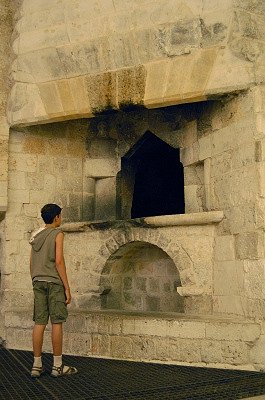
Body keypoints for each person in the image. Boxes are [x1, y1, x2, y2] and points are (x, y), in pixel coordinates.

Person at [29, 203, 77, 378]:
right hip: (54, 283)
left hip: (38, 281)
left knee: (39, 323)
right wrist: (67, 287)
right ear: (56, 217)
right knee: (57, 322)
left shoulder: (35, 236)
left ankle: (36, 365)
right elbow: (58, 261)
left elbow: (31, 262)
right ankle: (57, 367)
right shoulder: (58, 234)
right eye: (60, 216)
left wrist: (35, 278)